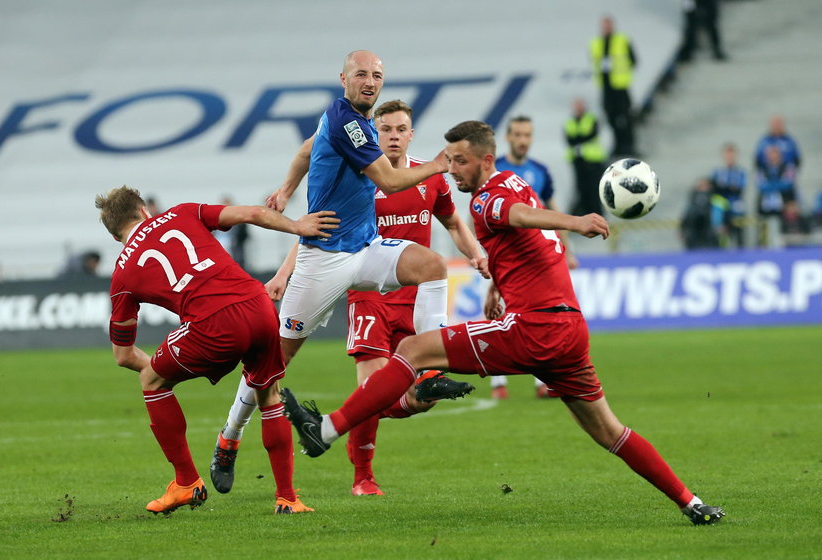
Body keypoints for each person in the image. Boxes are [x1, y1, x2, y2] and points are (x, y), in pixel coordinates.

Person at [281, 120, 725, 526]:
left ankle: (325, 430)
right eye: (448, 159)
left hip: (533, 330)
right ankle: (691, 502)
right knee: (610, 430)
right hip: (570, 331)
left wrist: (575, 222)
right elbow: (523, 238)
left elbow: (517, 217)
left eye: (459, 161)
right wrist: (498, 284)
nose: (451, 170)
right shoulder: (517, 182)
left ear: (485, 160)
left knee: (414, 350)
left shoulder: (487, 200)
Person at [209, 51, 479, 494]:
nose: (369, 81)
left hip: (365, 248)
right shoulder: (349, 123)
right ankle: (229, 437)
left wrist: (287, 189)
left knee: (433, 266)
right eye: (360, 74)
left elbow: (304, 150)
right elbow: (389, 182)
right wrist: (438, 163)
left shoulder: (352, 122)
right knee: (271, 364)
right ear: (343, 80)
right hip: (325, 259)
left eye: (376, 75)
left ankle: (429, 370)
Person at [265, 99, 487, 496]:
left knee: (418, 400)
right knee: (372, 388)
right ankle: (362, 476)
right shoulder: (362, 177)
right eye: (386, 129)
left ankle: (335, 425)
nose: (394, 136)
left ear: (411, 134)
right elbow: (320, 234)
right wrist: (284, 273)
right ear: (375, 132)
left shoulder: (429, 180)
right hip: (369, 298)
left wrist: (474, 252)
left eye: (401, 129)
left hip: (415, 299)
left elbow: (453, 221)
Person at [96, 185, 339, 515]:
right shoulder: (181, 212)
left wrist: (158, 366)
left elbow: (122, 355)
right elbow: (252, 213)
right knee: (268, 394)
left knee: (152, 381)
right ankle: (287, 499)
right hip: (259, 305)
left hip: (213, 324)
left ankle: (186, 482)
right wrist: (298, 227)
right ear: (143, 211)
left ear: (115, 237)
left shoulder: (123, 275)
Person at [490, 114, 578, 399]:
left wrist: (568, 251)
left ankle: (543, 382)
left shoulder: (540, 171)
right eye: (517, 134)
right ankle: (498, 383)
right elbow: (478, 210)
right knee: (499, 314)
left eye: (527, 135)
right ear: (508, 136)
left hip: (537, 258)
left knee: (537, 316)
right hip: (503, 257)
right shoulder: (495, 169)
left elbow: (552, 212)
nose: (523, 140)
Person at [590, 15, 637, 157]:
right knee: (611, 117)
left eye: (608, 25)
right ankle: (617, 145)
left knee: (626, 117)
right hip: (606, 87)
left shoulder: (622, 40)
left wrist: (622, 73)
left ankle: (629, 145)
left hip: (620, 86)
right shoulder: (596, 43)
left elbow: (633, 60)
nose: (606, 29)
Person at [564, 98, 608, 217]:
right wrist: (581, 138)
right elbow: (569, 139)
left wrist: (578, 138)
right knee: (581, 188)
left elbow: (591, 135)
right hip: (578, 160)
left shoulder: (591, 119)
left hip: (593, 159)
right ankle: (586, 214)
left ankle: (598, 214)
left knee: (594, 188)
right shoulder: (570, 122)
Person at [710, 142, 747, 248]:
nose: (729, 157)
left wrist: (723, 188)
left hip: (736, 208)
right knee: (722, 237)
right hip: (722, 210)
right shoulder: (718, 172)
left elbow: (739, 189)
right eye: (727, 154)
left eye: (732, 154)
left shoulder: (740, 172)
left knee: (739, 238)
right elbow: (715, 189)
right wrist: (727, 188)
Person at [680, 178, 720, 250]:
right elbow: (687, 216)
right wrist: (682, 229)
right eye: (701, 186)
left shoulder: (716, 199)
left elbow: (720, 214)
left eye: (705, 186)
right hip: (693, 233)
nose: (703, 188)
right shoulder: (692, 201)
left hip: (710, 232)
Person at [212, 195, 250, 269]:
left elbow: (243, 235)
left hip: (233, 246)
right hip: (219, 246)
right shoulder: (214, 220)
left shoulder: (239, 221)